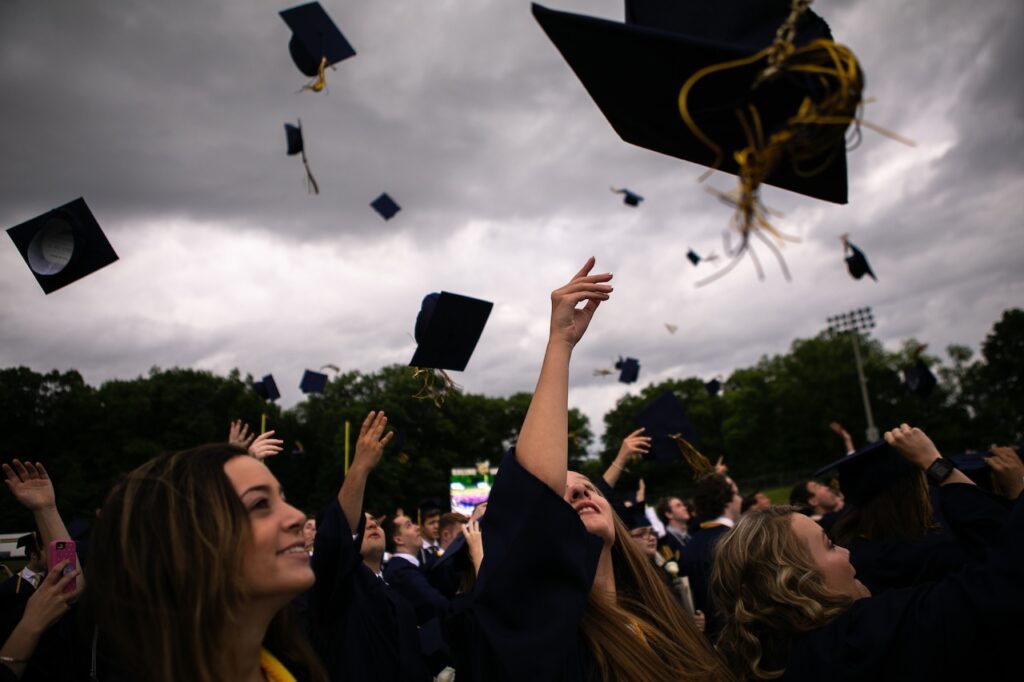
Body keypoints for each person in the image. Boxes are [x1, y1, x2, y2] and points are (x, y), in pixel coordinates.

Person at [445, 258, 731, 681]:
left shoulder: (662, 619)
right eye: (566, 491)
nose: (581, 492)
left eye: (590, 489)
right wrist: (560, 342)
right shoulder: (551, 637)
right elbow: (533, 494)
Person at [711, 424, 1023, 680]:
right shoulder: (865, 639)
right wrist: (937, 464)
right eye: (829, 545)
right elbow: (998, 584)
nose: (847, 553)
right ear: (794, 582)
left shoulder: (766, 659)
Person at [87, 444, 326, 681]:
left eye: (283, 499)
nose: (297, 516)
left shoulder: (300, 669)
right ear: (184, 542)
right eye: (260, 504)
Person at [309, 410, 432, 681]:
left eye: (375, 521)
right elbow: (334, 541)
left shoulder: (390, 586)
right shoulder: (342, 587)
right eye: (362, 524)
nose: (373, 525)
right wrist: (360, 467)